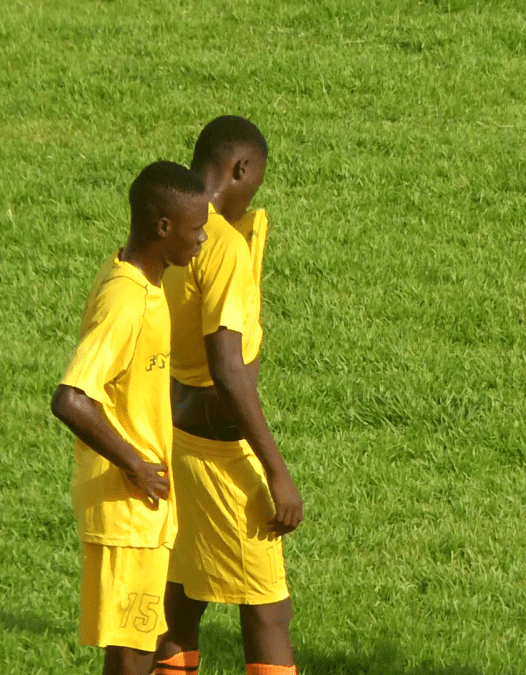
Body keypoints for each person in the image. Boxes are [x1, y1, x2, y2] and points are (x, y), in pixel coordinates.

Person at [153, 116, 303, 675]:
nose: (253, 195)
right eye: (255, 180)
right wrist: (276, 472)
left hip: (172, 437)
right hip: (218, 452)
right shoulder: (220, 245)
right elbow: (229, 371)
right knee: (268, 609)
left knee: (182, 596)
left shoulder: (171, 231)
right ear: (240, 168)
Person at [51, 161, 208, 675]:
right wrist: (136, 466)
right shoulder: (127, 300)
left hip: (140, 509)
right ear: (163, 227)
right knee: (133, 651)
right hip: (128, 508)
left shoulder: (137, 278)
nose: (203, 238)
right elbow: (71, 398)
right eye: (195, 228)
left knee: (135, 643)